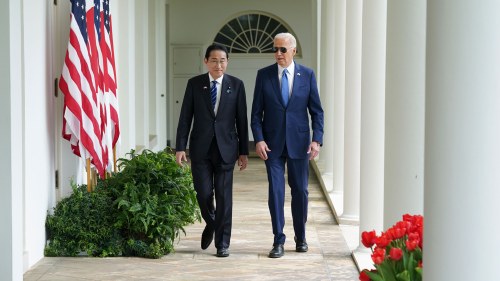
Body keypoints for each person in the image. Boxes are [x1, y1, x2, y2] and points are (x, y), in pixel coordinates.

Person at [250, 32, 324, 258]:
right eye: (275, 49)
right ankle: (278, 240)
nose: (278, 54)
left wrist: (317, 140)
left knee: (300, 190)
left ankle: (301, 237)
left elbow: (317, 112)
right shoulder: (264, 75)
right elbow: (255, 114)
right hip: (271, 144)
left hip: (300, 143)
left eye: (283, 49)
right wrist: (259, 139)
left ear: (294, 50)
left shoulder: (307, 75)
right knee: (276, 191)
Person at [175, 43, 249, 258]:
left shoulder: (236, 85)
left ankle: (222, 243)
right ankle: (213, 222)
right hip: (201, 149)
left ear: (227, 62)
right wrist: (181, 146)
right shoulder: (194, 84)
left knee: (224, 197)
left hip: (227, 149)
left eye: (223, 60)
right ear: (206, 61)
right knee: (203, 192)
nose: (219, 64)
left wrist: (244, 151)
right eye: (214, 60)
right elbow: (185, 117)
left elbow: (241, 121)